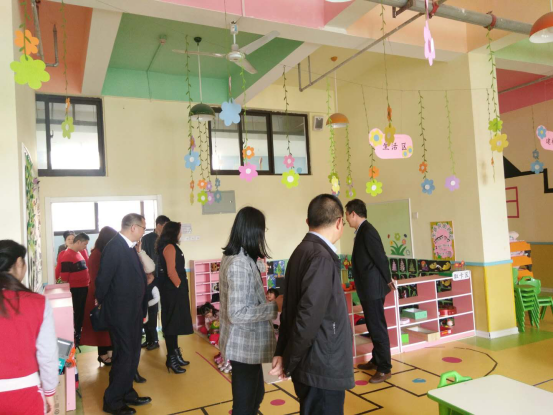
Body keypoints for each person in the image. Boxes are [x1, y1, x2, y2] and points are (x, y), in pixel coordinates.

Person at [271, 194, 354, 415]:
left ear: (308, 222)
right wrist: (289, 359)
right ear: (339, 222)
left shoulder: (301, 251)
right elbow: (308, 316)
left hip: (312, 364)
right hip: (321, 365)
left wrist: (283, 351)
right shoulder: (321, 257)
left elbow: (289, 309)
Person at [219, 207, 279, 415]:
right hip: (243, 345)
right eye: (262, 230)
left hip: (247, 346)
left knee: (255, 395)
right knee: (245, 404)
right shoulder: (238, 263)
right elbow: (237, 313)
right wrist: (274, 307)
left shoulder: (239, 257)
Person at [96, 214, 151, 415]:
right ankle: (113, 401)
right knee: (124, 356)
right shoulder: (114, 247)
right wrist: (101, 302)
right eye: (143, 228)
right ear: (134, 228)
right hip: (120, 314)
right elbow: (103, 280)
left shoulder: (128, 247)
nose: (144, 232)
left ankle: (127, 393)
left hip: (133, 312)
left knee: (133, 354)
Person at [0, 240, 59, 415]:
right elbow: (47, 355)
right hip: (24, 392)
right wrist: (49, 391)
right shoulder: (37, 303)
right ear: (19, 263)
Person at [345, 199, 396, 383]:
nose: (346, 219)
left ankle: (384, 368)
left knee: (377, 327)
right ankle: (376, 360)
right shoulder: (362, 231)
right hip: (368, 288)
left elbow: (380, 258)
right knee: (373, 326)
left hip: (373, 289)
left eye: (346, 214)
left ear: (353, 213)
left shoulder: (368, 231)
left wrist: (388, 280)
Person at [156, 221, 193, 374]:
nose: (181, 233)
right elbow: (171, 271)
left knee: (174, 323)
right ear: (174, 232)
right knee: (171, 324)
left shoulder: (170, 246)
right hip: (173, 291)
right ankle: (171, 359)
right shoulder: (170, 247)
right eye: (179, 231)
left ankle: (176, 354)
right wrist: (179, 286)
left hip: (174, 291)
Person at [80, 226, 118, 367]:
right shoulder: (96, 254)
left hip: (103, 294)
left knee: (107, 327)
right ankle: (103, 355)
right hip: (98, 295)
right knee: (100, 326)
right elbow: (97, 278)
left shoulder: (102, 252)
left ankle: (108, 353)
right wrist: (100, 297)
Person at [55, 232, 90, 347]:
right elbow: (64, 278)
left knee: (81, 313)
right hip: (76, 290)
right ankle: (76, 337)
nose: (85, 247)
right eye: (84, 244)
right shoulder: (67, 255)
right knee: (77, 314)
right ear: (78, 242)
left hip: (82, 288)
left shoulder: (78, 253)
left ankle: (79, 334)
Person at [136, 243, 160, 351]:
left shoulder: (154, 287)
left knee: (152, 326)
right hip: (146, 310)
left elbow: (157, 298)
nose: (147, 279)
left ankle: (154, 341)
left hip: (152, 310)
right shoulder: (145, 286)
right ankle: (148, 340)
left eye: (149, 277)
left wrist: (148, 303)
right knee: (146, 325)